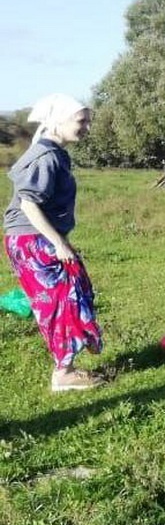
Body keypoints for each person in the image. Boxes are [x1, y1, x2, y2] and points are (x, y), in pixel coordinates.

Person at [4, 94, 105, 391]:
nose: (87, 127)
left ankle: (68, 363)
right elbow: (29, 204)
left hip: (36, 238)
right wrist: (58, 242)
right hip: (32, 240)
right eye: (81, 121)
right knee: (61, 302)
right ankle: (63, 374)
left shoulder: (55, 152)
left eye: (88, 121)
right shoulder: (46, 156)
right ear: (58, 121)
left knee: (73, 292)